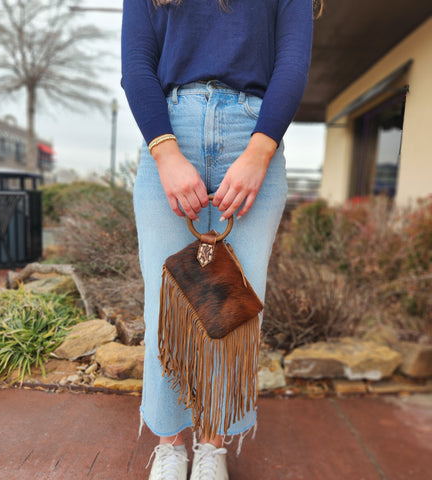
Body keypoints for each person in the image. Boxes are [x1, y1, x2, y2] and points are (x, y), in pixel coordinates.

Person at [121, 0, 323, 478]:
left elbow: (292, 64)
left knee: (232, 313)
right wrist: (165, 153)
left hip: (253, 136)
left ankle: (212, 444)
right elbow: (136, 65)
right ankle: (170, 446)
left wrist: (260, 150)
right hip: (169, 133)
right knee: (165, 306)